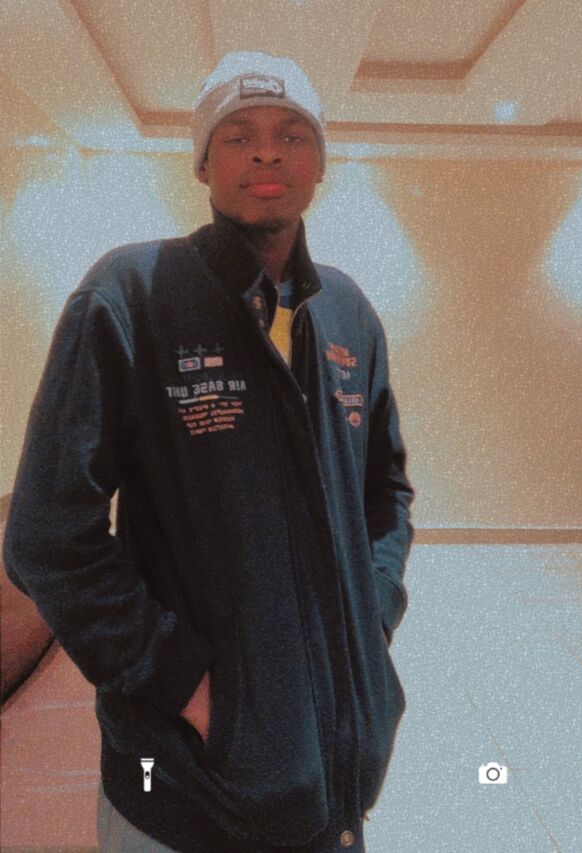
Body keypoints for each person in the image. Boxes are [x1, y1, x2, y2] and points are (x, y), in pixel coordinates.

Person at [3, 52, 414, 852]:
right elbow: (47, 536)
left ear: (319, 161)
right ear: (203, 162)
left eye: (292, 133)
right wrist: (183, 684)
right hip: (183, 793)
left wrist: (367, 617)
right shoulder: (131, 295)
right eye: (238, 135)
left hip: (333, 789)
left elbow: (385, 493)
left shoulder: (349, 314)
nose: (266, 152)